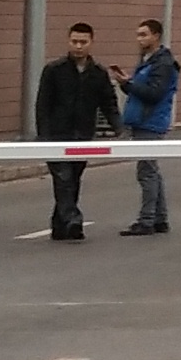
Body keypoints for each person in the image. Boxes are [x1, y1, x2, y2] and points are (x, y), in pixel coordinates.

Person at [34, 21, 120, 241]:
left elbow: (108, 104)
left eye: (83, 42)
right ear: (68, 41)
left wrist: (119, 129)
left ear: (91, 42)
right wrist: (44, 136)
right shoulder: (54, 70)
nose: (78, 46)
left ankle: (59, 226)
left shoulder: (98, 73)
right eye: (74, 41)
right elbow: (42, 105)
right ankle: (74, 219)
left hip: (82, 136)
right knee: (63, 178)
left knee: (72, 180)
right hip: (57, 136)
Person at [119, 17, 181, 235]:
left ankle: (146, 221)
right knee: (151, 170)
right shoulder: (148, 60)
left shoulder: (162, 64)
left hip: (151, 121)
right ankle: (159, 219)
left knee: (146, 172)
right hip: (143, 120)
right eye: (138, 35)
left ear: (156, 36)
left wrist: (129, 85)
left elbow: (154, 94)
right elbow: (141, 90)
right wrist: (126, 84)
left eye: (144, 35)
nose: (139, 39)